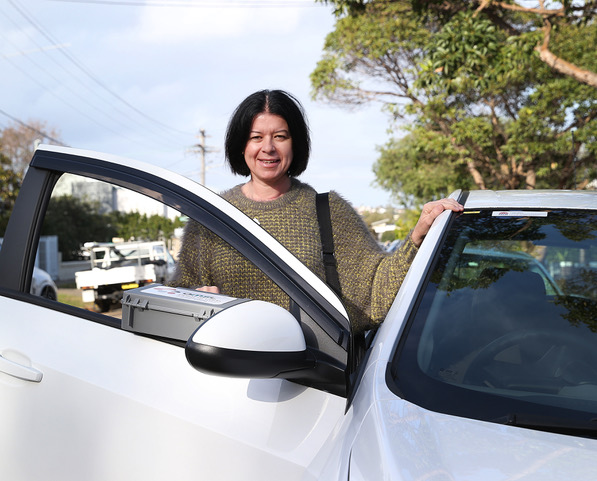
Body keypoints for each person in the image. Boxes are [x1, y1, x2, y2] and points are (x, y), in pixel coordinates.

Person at [170, 89, 462, 333]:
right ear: (241, 145)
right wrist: (192, 300)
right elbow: (178, 300)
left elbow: (375, 291)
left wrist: (417, 236)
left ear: (295, 144)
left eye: (280, 136)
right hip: (231, 382)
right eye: (256, 137)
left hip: (316, 382)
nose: (268, 148)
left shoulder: (327, 210)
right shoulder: (212, 217)